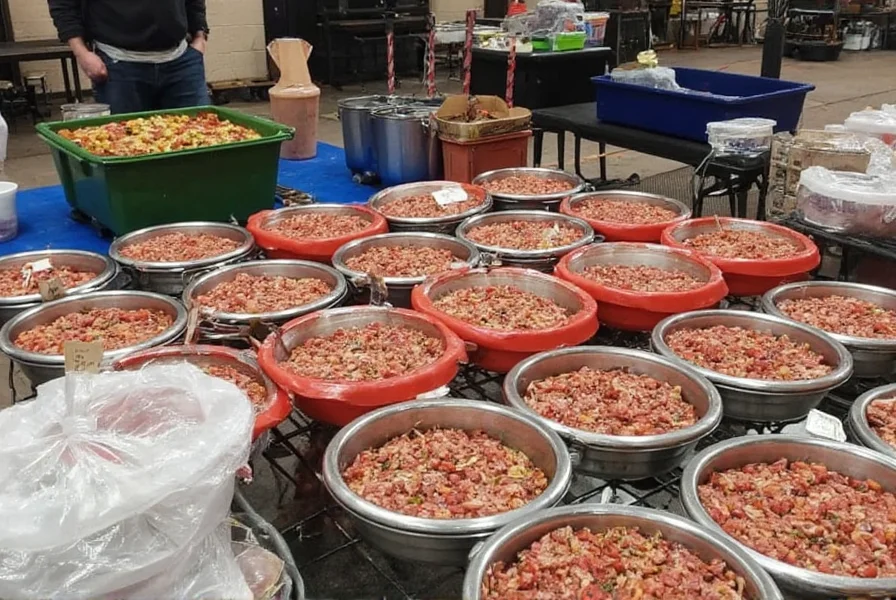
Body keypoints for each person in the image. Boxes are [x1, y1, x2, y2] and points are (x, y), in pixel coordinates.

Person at [48, 1, 210, 114]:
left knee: (199, 140)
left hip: (181, 63)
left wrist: (200, 35)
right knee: (127, 146)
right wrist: (82, 53)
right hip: (118, 67)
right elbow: (63, 6)